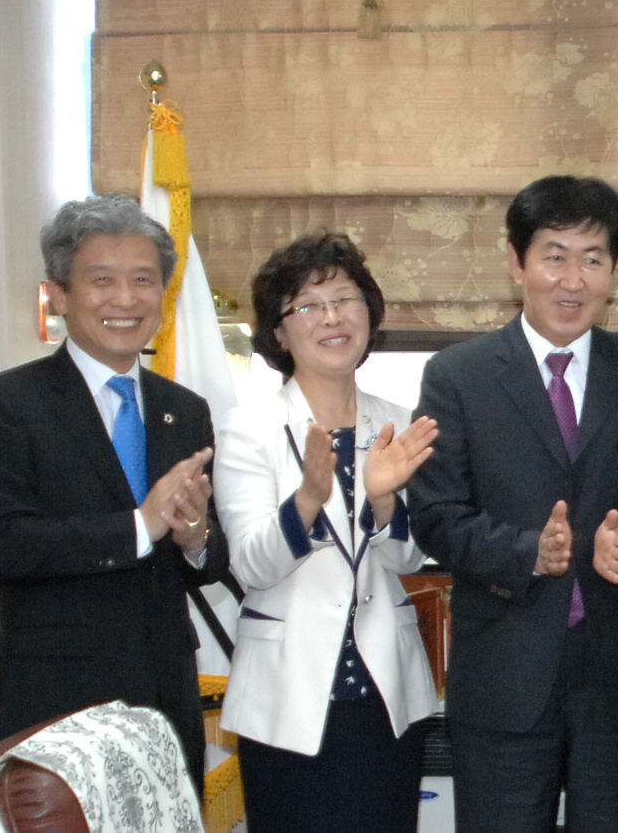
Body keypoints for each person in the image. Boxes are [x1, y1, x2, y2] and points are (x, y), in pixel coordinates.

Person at [411, 175, 618, 833]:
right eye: (553, 255)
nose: (572, 278)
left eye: (592, 259)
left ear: (614, 270)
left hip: (617, 682)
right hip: (504, 679)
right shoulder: (459, 376)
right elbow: (437, 515)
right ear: (516, 261)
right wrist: (530, 550)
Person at [0, 193, 228, 791]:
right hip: (52, 702)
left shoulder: (183, 410)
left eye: (143, 280)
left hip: (165, 699)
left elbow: (211, 555)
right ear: (58, 294)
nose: (126, 299)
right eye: (102, 280)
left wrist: (193, 537)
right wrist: (141, 526)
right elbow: (2, 544)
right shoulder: (4, 404)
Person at [215, 232, 440, 831]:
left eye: (346, 298)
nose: (333, 317)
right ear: (279, 332)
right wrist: (310, 499)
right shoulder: (250, 429)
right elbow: (253, 567)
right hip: (287, 699)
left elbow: (410, 557)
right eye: (308, 306)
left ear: (370, 314)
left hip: (384, 694)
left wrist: (383, 497)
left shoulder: (399, 421)